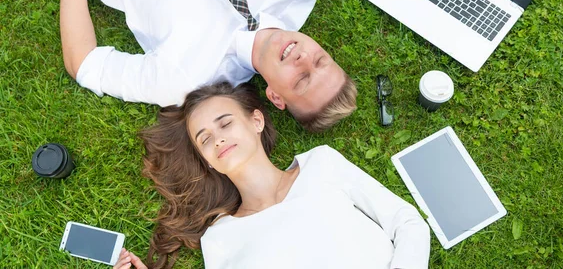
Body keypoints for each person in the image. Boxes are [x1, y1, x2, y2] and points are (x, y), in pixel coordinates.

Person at [58, 0, 357, 132]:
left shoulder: (186, 78)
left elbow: (85, 64)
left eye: (301, 80)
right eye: (319, 60)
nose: (303, 59)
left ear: (275, 97)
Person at [112, 82, 430, 269]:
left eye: (225, 123)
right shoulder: (219, 239)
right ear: (207, 161)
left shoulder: (321, 164)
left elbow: (406, 222)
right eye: (205, 139)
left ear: (257, 122)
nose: (218, 138)